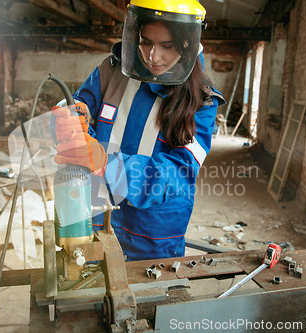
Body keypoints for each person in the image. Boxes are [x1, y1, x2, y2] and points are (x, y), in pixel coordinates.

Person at [51, 0, 225, 261]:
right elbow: (81, 102)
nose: (153, 56)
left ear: (188, 41)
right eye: (145, 42)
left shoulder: (202, 100)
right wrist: (74, 111)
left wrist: (105, 164)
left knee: (148, 295)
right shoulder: (113, 69)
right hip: (97, 211)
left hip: (153, 229)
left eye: (166, 45)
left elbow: (178, 172)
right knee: (87, 284)